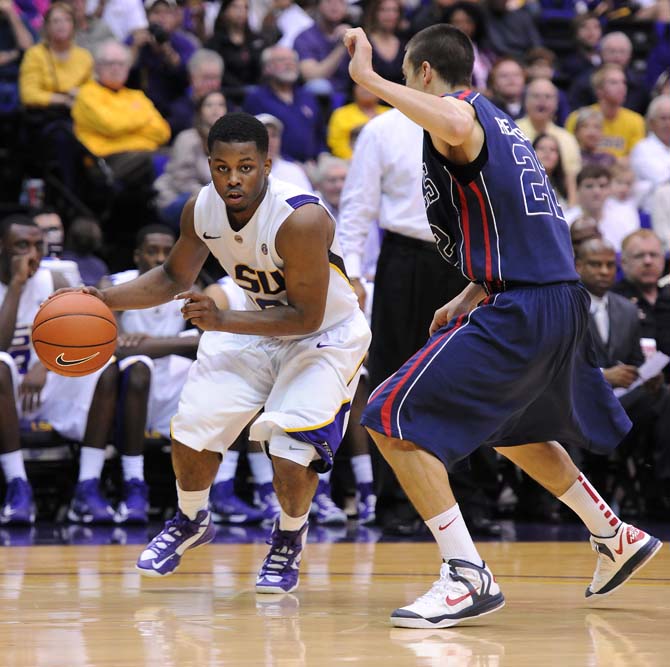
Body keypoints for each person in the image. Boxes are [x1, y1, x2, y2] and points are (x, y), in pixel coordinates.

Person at [344, 23, 661, 628]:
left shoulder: (461, 115)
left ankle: (466, 575)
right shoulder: (504, 123)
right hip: (550, 296)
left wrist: (367, 79)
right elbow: (521, 219)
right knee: (512, 429)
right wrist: (474, 287)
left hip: (527, 307)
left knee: (388, 417)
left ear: (425, 74)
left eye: (409, 75)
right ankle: (613, 534)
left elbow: (453, 126)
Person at [51, 112, 371, 590]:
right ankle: (191, 519)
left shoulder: (300, 218)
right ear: (209, 165)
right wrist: (101, 298)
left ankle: (287, 537)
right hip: (254, 323)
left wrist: (220, 320)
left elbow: (304, 315)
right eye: (222, 168)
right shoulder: (200, 208)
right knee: (192, 430)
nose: (233, 178)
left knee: (289, 448)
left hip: (321, 334)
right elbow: (173, 278)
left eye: (245, 166)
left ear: (266, 164)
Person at [0, 215, 119, 525]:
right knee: (0, 364)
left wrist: (45, 362)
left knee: (103, 363)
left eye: (38, 246)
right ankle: (17, 486)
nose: (32, 255)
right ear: (2, 247)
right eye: (21, 246)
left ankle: (87, 486)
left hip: (44, 388)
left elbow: (85, 336)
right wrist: (16, 285)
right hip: (5, 392)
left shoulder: (55, 281)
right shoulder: (16, 283)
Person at [101, 224, 199, 524]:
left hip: (171, 383)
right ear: (136, 255)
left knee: (216, 370)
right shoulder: (114, 283)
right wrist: (176, 345)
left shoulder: (189, 288)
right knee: (138, 366)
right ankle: (134, 486)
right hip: (126, 383)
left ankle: (210, 493)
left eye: (167, 252)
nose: (160, 258)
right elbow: (114, 349)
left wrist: (146, 344)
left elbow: (208, 342)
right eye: (152, 251)